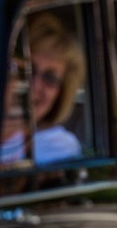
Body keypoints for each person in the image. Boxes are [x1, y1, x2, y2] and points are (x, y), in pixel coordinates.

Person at [1, 12, 84, 166]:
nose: (35, 85)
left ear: (61, 94)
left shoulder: (58, 146)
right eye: (28, 70)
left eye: (50, 78)